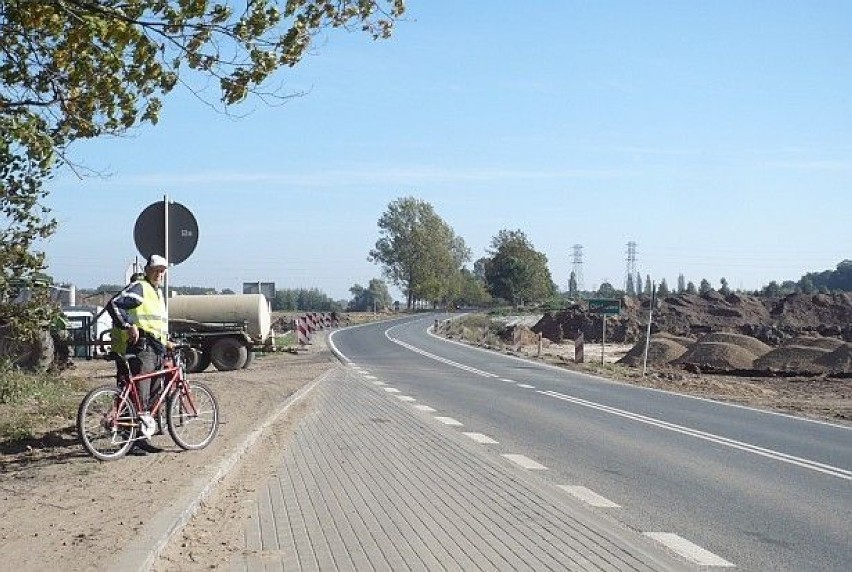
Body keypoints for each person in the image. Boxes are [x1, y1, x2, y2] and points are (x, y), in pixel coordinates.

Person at [107, 256, 172, 454]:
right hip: (143, 348)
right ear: (147, 270)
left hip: (157, 348)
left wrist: (166, 341)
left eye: (162, 271)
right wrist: (128, 325)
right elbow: (115, 304)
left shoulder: (157, 292)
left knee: (151, 397)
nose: (159, 274)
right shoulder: (141, 287)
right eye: (155, 270)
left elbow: (156, 322)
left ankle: (142, 438)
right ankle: (130, 442)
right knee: (138, 395)